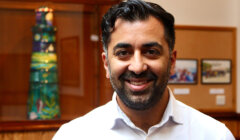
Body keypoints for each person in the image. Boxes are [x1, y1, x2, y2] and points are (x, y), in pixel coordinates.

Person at [53, 0, 235, 139]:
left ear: (172, 61)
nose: (138, 67)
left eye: (151, 52)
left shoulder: (214, 135)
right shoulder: (73, 136)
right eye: (123, 52)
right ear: (106, 64)